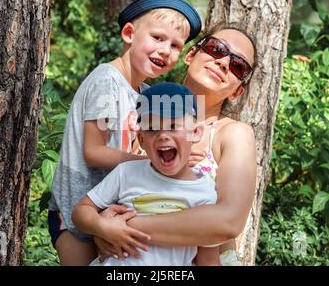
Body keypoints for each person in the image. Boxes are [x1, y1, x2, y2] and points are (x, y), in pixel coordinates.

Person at [47, 0, 202, 265]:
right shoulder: (108, 83)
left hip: (110, 209)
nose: (166, 50)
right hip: (77, 210)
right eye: (158, 38)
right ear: (129, 33)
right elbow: (94, 151)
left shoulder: (145, 94)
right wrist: (147, 161)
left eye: (176, 46)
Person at [86, 22, 258, 266]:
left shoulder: (233, 134)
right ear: (191, 54)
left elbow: (228, 221)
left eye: (238, 66)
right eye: (217, 49)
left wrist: (120, 227)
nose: (224, 63)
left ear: (237, 92)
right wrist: (99, 226)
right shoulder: (142, 111)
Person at [73, 82, 220, 266]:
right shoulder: (126, 173)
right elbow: (81, 211)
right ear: (141, 140)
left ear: (196, 132)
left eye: (173, 126)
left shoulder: (205, 194)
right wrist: (101, 227)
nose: (163, 135)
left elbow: (208, 261)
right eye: (152, 129)